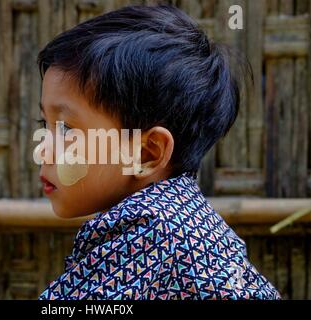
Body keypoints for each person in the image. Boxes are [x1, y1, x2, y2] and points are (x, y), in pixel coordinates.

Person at [34, 4, 281, 300]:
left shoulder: (151, 231)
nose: (43, 150)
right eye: (44, 124)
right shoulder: (180, 218)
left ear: (147, 153)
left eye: (67, 130)